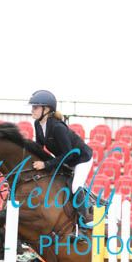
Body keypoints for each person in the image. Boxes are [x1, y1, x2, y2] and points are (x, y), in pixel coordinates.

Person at [29, 89, 94, 227]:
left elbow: (69, 154)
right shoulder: (37, 124)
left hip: (81, 159)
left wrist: (46, 164)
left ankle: (84, 223)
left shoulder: (57, 127)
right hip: (66, 159)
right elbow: (39, 147)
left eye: (35, 107)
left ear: (46, 109)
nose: (32, 110)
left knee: (75, 186)